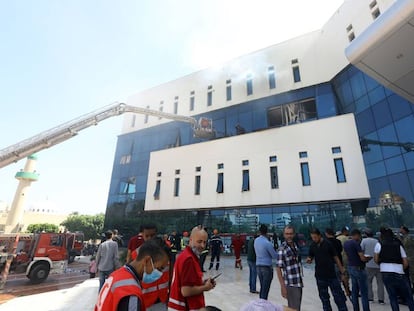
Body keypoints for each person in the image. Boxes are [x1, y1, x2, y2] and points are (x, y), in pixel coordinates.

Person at [95, 239, 169, 311]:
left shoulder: (117, 275)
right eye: (159, 268)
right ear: (147, 260)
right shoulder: (130, 292)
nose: (160, 274)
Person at [168, 226, 216, 310]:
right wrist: (205, 287)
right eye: (199, 241)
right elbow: (185, 291)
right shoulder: (189, 259)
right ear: (190, 240)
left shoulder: (186, 256)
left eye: (205, 242)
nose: (202, 245)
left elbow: (188, 282)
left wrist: (202, 283)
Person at [306, 228, 348, 311]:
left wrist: (341, 270)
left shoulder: (328, 244)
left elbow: (335, 257)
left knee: (338, 297)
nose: (314, 239)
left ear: (319, 235)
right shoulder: (312, 245)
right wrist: (309, 259)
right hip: (320, 275)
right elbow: (310, 256)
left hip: (331, 274)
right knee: (324, 298)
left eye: (315, 237)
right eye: (312, 238)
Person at [374, 227, 414, 311]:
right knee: (408, 296)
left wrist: (382, 265)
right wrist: (401, 268)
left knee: (393, 297)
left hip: (385, 272)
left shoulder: (379, 244)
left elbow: (376, 259)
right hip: (399, 271)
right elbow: (405, 262)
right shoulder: (398, 244)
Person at [276, 225, 303, 311]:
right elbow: (278, 268)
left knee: (296, 307)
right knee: (293, 309)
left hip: (298, 282)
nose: (289, 236)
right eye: (287, 234)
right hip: (291, 284)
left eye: (291, 234)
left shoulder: (295, 246)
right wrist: (283, 286)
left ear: (294, 234)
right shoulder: (282, 249)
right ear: (284, 235)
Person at [343, 229, 371, 311]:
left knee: (354, 291)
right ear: (357, 235)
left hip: (351, 267)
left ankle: (356, 308)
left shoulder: (346, 243)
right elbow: (362, 258)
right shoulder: (356, 243)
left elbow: (347, 256)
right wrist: (368, 258)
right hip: (359, 269)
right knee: (364, 292)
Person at [360, 228, 384, 304]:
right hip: (378, 265)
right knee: (380, 283)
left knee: (368, 282)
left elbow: (361, 251)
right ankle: (381, 299)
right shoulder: (377, 241)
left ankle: (370, 298)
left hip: (368, 264)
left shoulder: (364, 241)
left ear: (366, 234)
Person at [254, 224, 277, 300]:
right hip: (266, 266)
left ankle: (261, 303)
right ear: (267, 232)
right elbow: (274, 256)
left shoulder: (256, 241)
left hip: (258, 266)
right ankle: (263, 305)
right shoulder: (267, 243)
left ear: (260, 231)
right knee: (265, 289)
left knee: (262, 287)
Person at [399, 225, 414, 290]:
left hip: (410, 258)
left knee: (412, 273)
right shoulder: (405, 237)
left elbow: (404, 244)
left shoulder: (408, 238)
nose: (400, 230)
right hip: (407, 258)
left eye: (401, 229)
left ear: (404, 230)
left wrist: (399, 237)